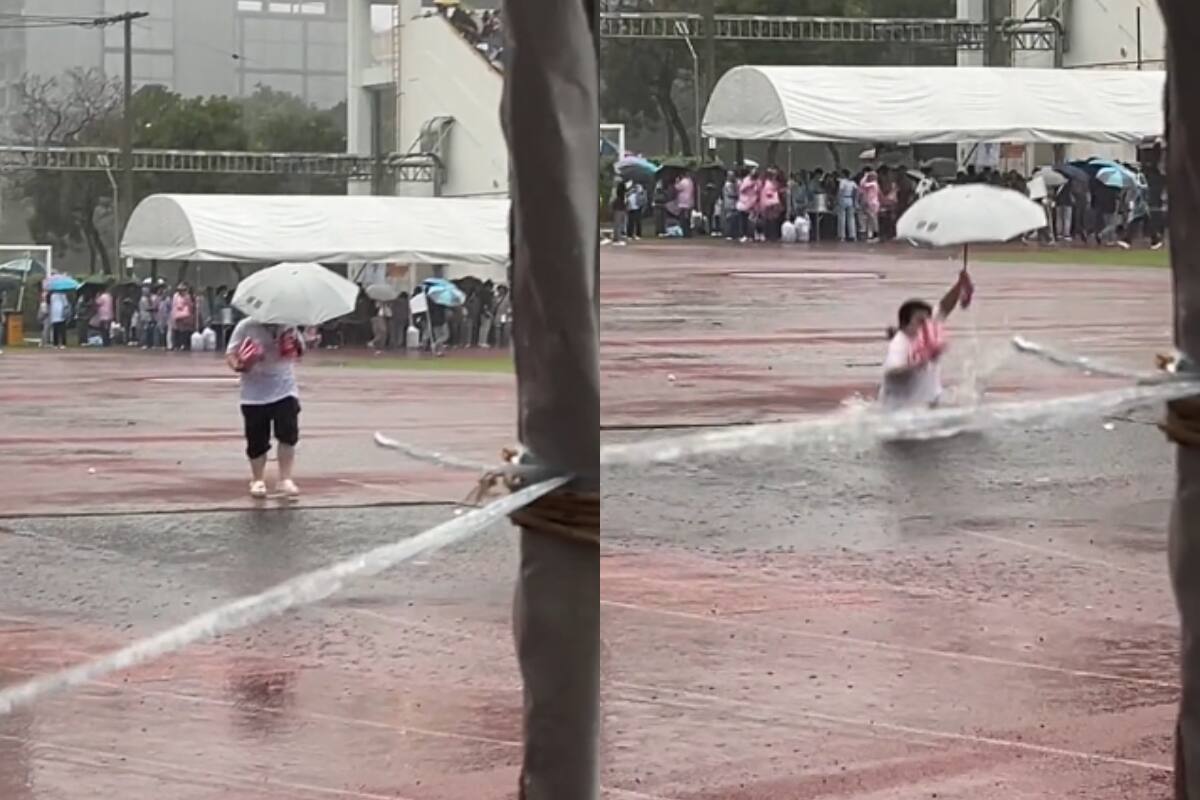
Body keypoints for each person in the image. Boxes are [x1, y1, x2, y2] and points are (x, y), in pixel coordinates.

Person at [225, 316, 305, 499]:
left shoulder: (289, 324)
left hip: (285, 388)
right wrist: (239, 364)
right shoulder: (246, 326)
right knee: (256, 439)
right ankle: (257, 479)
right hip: (254, 393)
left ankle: (285, 478)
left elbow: (300, 352)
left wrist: (294, 346)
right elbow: (230, 353)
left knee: (288, 433)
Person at [879, 269, 973, 411]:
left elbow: (943, 308)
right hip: (903, 416)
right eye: (920, 321)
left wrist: (960, 285)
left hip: (928, 409)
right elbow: (893, 371)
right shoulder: (900, 343)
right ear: (905, 324)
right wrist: (918, 364)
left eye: (927, 321)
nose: (927, 325)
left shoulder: (926, 334)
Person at [859, 169, 882, 242]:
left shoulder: (874, 184)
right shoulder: (874, 184)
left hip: (873, 203)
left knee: (873, 219)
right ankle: (871, 235)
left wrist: (865, 176)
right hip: (870, 202)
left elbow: (862, 184)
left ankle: (875, 235)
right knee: (870, 220)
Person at [836, 169, 859, 242]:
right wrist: (855, 200)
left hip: (843, 198)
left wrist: (837, 199)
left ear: (843, 174)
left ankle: (842, 236)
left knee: (842, 218)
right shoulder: (852, 183)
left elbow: (840, 191)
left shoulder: (842, 182)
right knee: (851, 218)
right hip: (850, 199)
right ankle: (852, 235)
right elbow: (856, 191)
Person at [171, 282, 195, 351]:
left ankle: (180, 344)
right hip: (182, 315)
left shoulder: (177, 296)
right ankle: (180, 344)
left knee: (182, 331)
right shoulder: (183, 296)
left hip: (180, 315)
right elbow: (189, 306)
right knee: (181, 330)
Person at [138, 283, 156, 349]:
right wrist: (154, 308)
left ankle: (148, 343)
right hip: (145, 316)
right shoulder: (144, 299)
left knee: (148, 330)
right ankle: (145, 343)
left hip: (147, 316)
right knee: (145, 330)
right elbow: (147, 308)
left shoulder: (146, 298)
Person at [610, 178, 628, 246]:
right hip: (619, 207)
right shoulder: (617, 190)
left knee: (618, 224)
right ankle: (617, 239)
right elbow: (615, 198)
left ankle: (617, 238)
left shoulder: (616, 189)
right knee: (618, 224)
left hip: (619, 207)